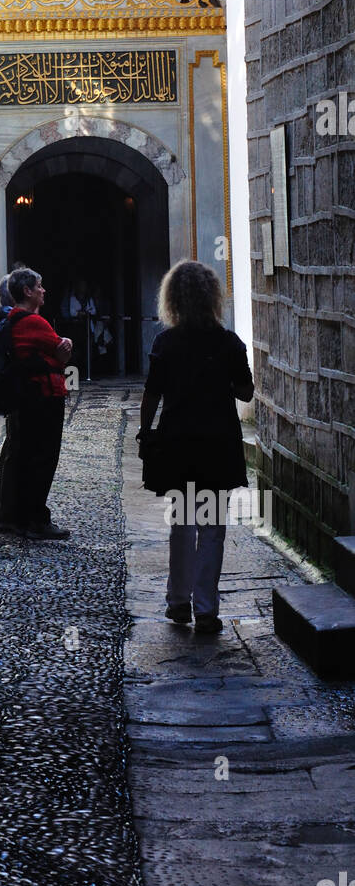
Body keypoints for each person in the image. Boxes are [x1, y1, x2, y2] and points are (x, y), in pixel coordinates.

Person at [138, 260, 254, 634]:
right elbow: (245, 391)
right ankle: (206, 608)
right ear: (212, 298)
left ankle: (177, 602)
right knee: (212, 528)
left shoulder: (165, 342)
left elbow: (152, 394)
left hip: (179, 441)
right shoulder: (228, 342)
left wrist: (144, 431)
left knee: (183, 524)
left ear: (172, 300)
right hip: (217, 442)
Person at [0, 267, 74, 541]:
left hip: (27, 398)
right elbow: (60, 352)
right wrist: (63, 352)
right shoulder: (33, 322)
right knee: (42, 459)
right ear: (27, 291)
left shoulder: (15, 320)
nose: (43, 290)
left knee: (23, 456)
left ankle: (14, 517)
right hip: (42, 397)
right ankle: (35, 520)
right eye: (39, 286)